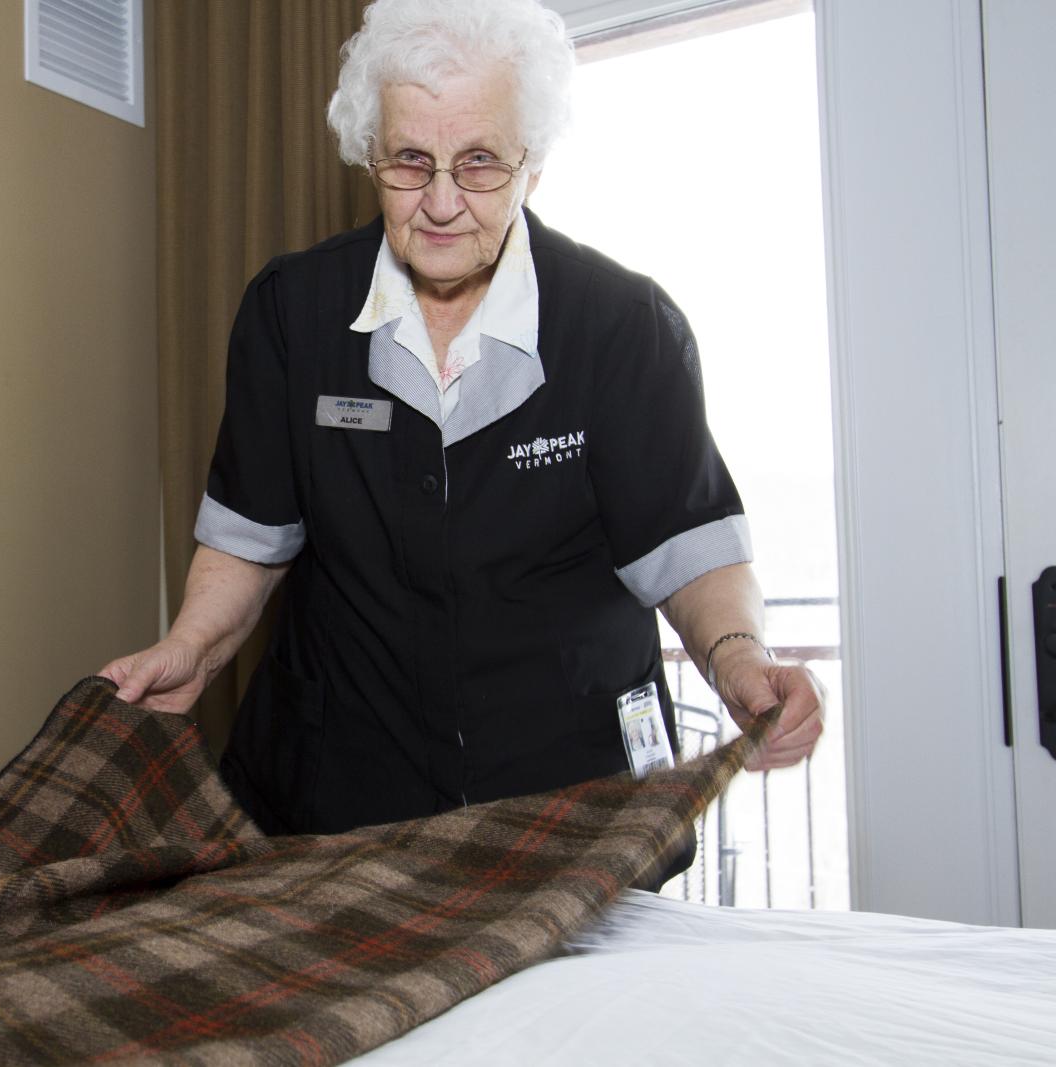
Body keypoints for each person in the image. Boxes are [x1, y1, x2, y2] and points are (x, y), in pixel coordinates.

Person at [102, 0, 822, 866]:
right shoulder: (292, 313)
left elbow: (690, 550)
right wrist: (194, 647)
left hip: (575, 815)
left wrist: (740, 662)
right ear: (371, 152)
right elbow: (249, 540)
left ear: (534, 164)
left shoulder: (623, 325)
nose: (441, 201)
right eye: (411, 160)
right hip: (334, 812)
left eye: (479, 163)